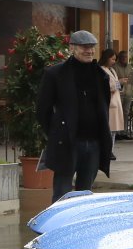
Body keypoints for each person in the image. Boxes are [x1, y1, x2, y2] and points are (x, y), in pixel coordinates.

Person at [36, 30, 113, 203]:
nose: (89, 51)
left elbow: (104, 107)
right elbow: (42, 110)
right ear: (72, 47)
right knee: (62, 194)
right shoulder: (55, 73)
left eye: (92, 47)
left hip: (93, 143)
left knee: (85, 196)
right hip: (67, 143)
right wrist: (57, 132)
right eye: (84, 47)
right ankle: (58, 221)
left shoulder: (100, 75)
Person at [101, 49, 126, 139]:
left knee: (113, 131)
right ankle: (109, 148)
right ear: (106, 58)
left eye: (115, 60)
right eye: (112, 59)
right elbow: (106, 87)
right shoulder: (101, 70)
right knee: (109, 130)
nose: (114, 62)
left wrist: (121, 84)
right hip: (109, 102)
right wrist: (119, 82)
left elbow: (115, 85)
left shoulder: (112, 70)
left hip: (115, 101)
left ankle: (111, 147)